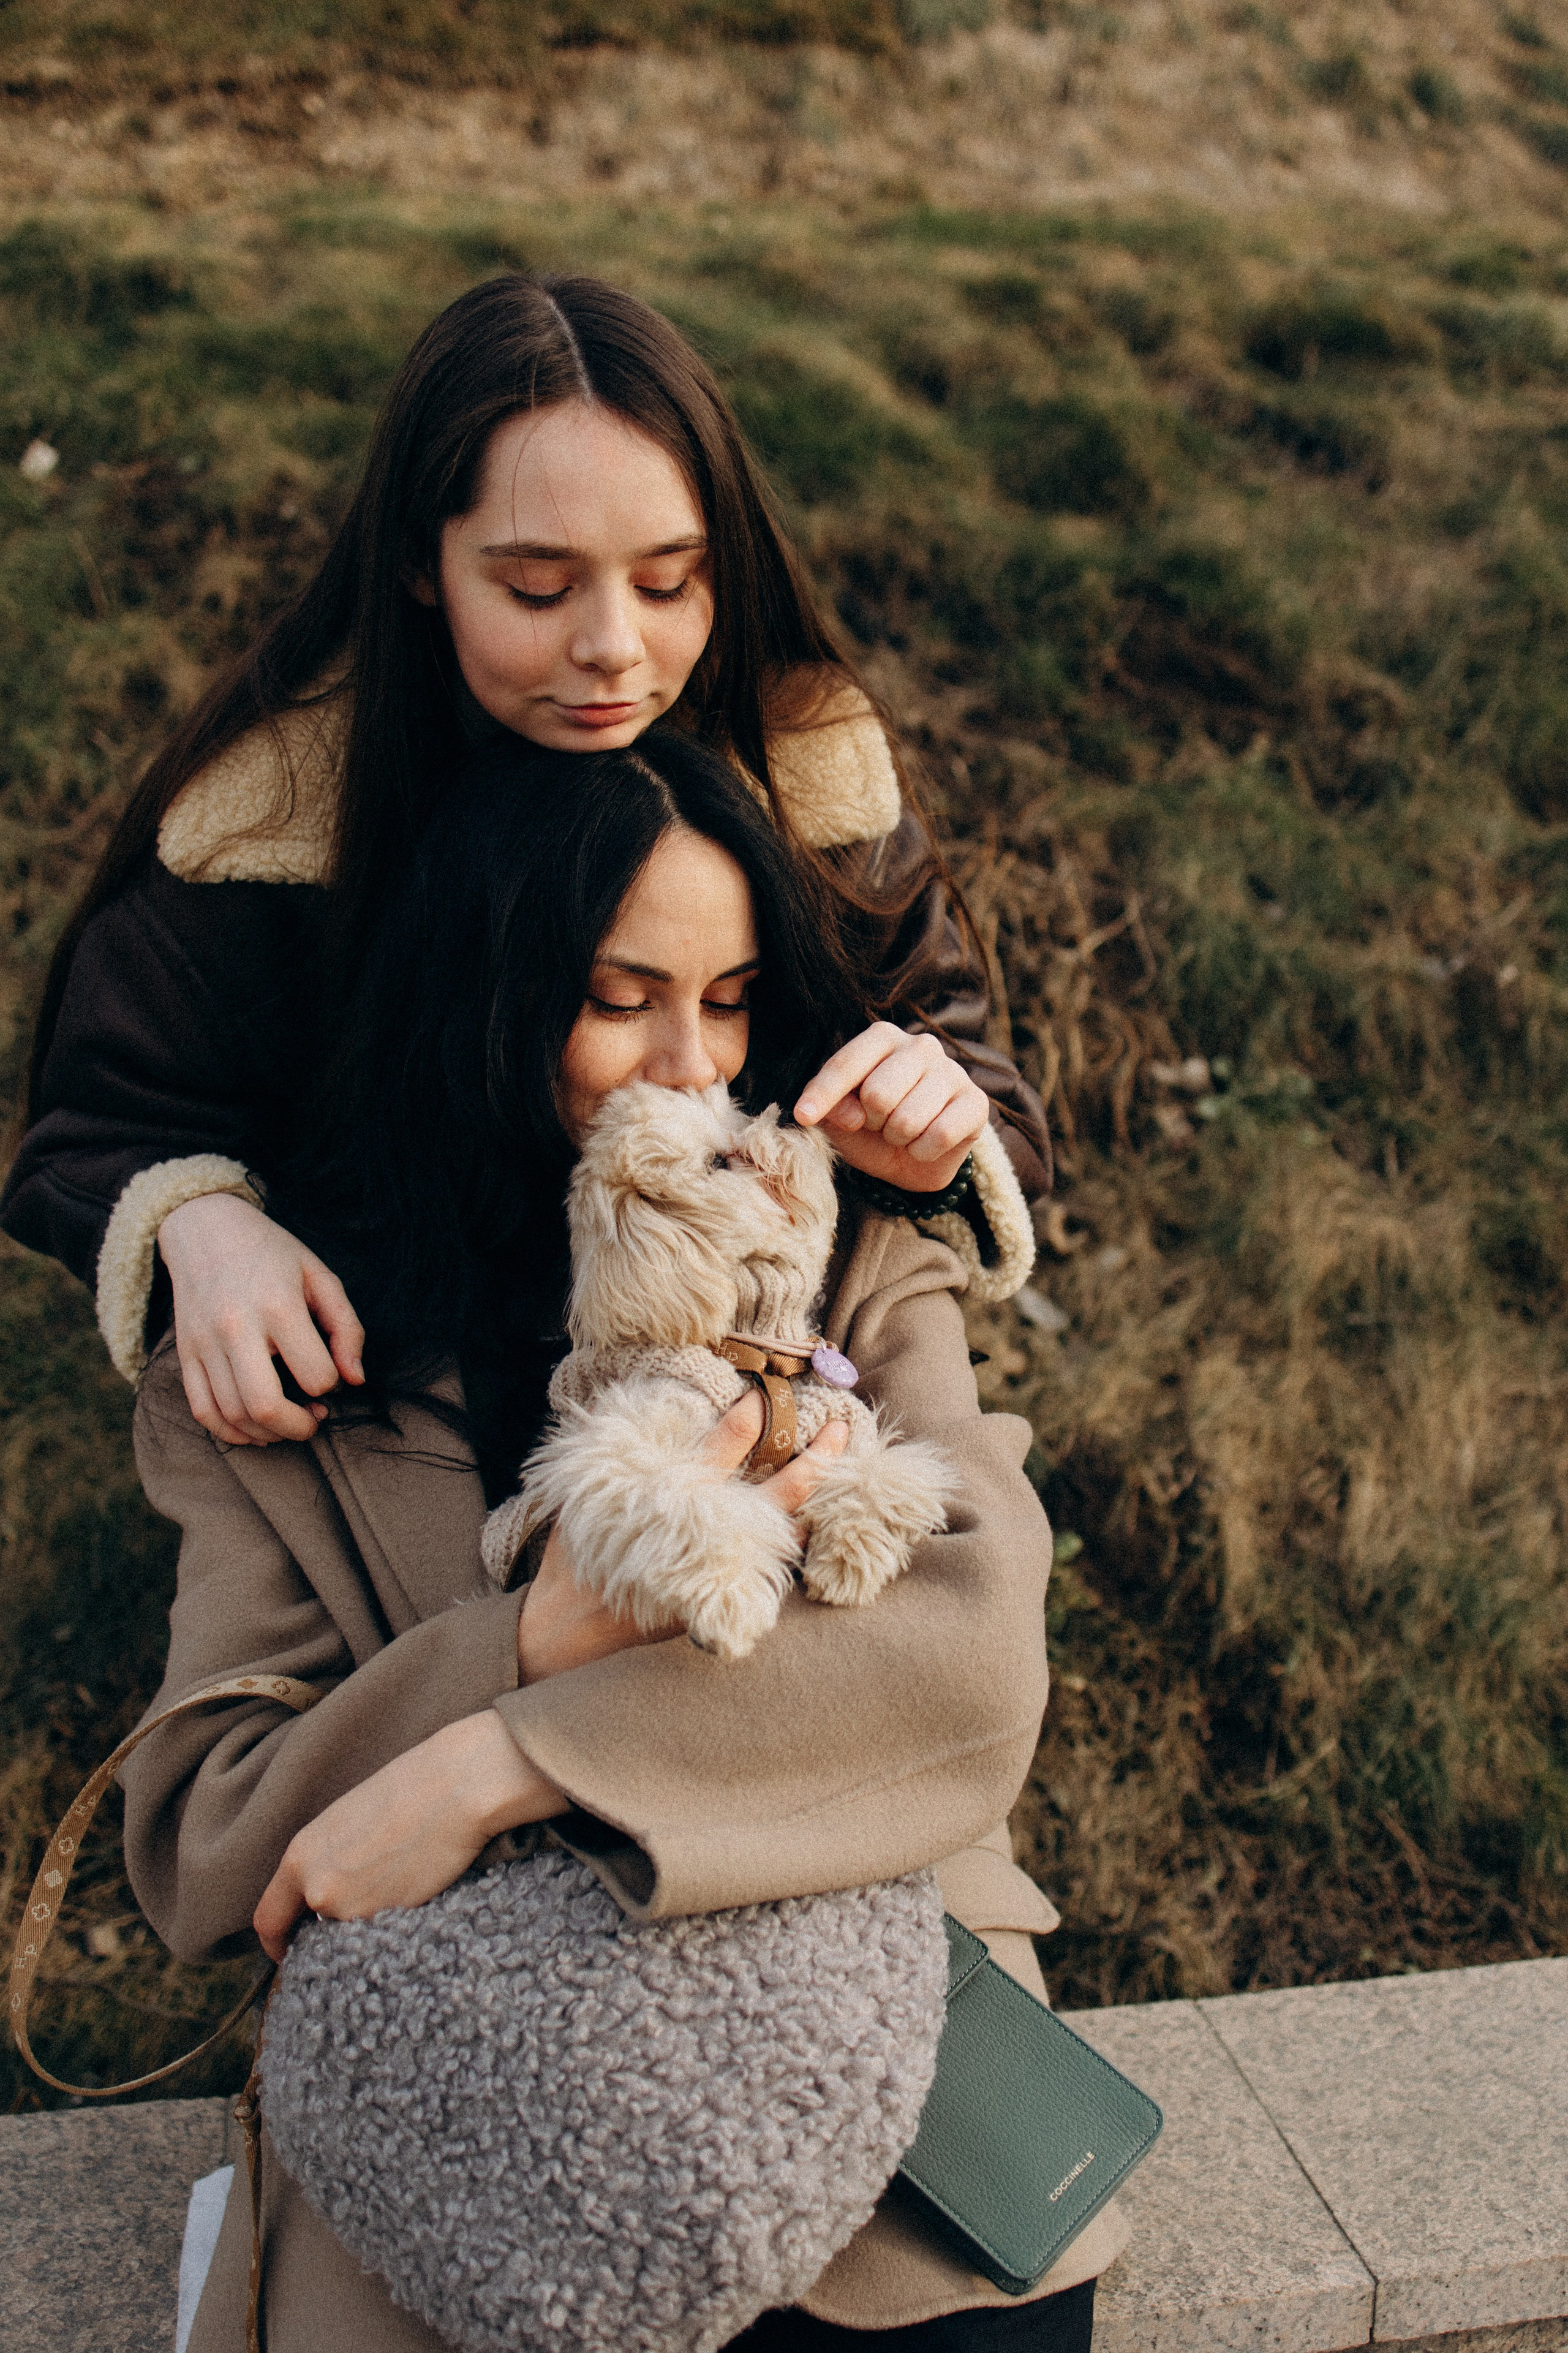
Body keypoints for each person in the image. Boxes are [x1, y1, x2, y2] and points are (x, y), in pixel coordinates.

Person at [121, 731, 1121, 2352]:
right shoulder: (277, 1345)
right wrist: (526, 1636)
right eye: (615, 996)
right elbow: (206, 1838)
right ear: (487, 993)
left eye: (728, 1003)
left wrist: (501, 1759)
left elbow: (977, 1654)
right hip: (480, 2104)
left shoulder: (845, 1244)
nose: (688, 1069)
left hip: (871, 2054)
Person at [1, 271, 1046, 1452]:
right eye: (536, 587)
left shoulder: (806, 783)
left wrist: (933, 1119)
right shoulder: (273, 825)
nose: (612, 648)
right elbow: (97, 1126)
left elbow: (972, 1077)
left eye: (668, 581)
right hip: (384, 1384)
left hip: (744, 1363)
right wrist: (196, 1220)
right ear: (417, 562)